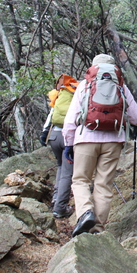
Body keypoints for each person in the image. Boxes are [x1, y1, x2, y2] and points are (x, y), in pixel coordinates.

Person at [62, 54, 137, 237]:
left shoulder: (85, 85)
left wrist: (68, 143)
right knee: (103, 184)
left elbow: (70, 120)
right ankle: (97, 229)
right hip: (113, 141)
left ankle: (85, 213)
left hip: (86, 139)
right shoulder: (121, 87)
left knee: (81, 180)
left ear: (93, 68)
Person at [40, 74, 78, 219]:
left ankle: (56, 198)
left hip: (54, 136)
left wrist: (44, 134)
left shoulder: (58, 95)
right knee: (68, 173)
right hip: (68, 137)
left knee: (61, 167)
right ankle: (60, 207)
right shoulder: (76, 94)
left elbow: (51, 115)